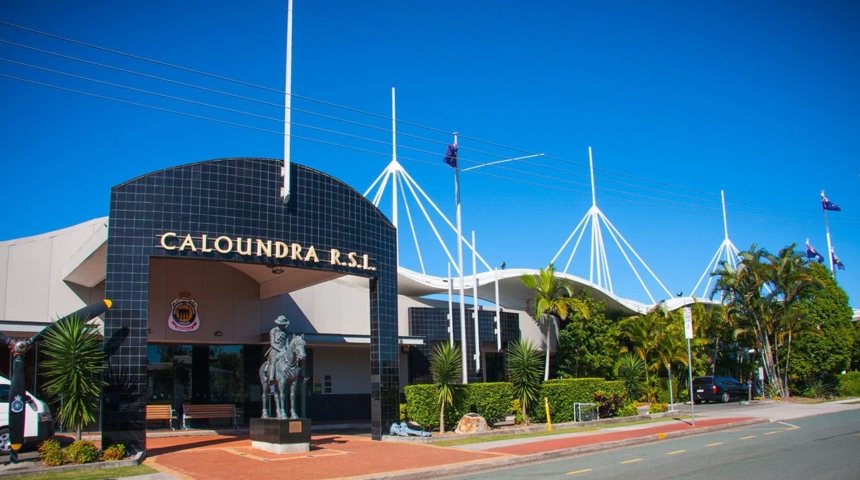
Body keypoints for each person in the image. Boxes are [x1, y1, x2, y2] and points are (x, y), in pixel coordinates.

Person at [266, 315, 290, 383]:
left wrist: (287, 348)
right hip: (275, 349)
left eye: (284, 324)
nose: (283, 326)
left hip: (284, 350)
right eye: (282, 324)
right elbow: (272, 343)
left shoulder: (286, 331)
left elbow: (287, 342)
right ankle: (271, 377)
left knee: (291, 360)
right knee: (273, 361)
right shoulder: (273, 331)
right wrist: (279, 350)